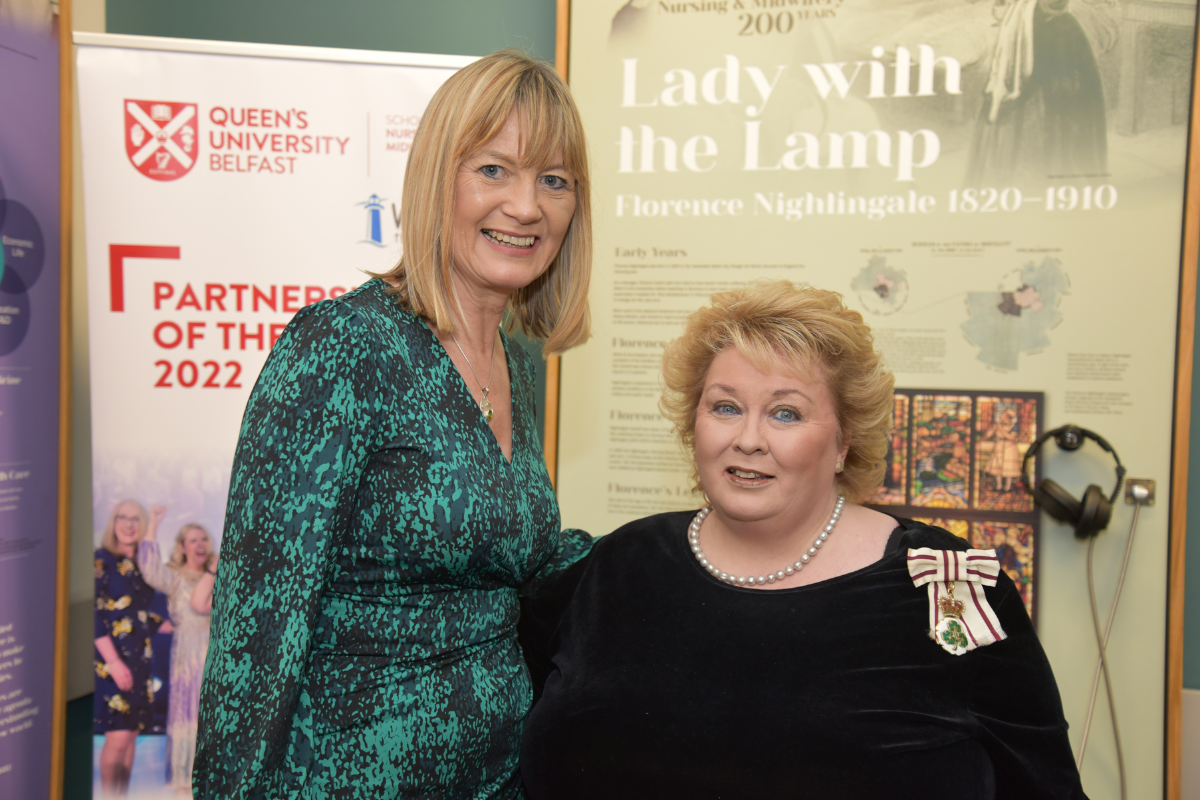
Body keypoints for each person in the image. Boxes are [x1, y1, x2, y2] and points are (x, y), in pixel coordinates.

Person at [194, 49, 593, 799]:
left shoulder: (519, 363)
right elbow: (260, 619)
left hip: (500, 774)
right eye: (493, 170)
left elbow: (520, 561)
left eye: (554, 180)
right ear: (436, 174)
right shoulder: (340, 347)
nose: (527, 206)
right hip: (343, 781)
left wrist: (695, 548)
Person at [519, 281, 1087, 799]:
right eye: (725, 407)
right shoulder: (620, 565)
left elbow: (1043, 785)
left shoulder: (945, 587)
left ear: (844, 442)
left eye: (786, 414)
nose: (747, 439)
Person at [93, 499, 170, 798]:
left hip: (141, 661)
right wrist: (113, 661)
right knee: (118, 736)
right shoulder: (100, 561)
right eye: (122, 518)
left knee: (132, 735)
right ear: (113, 522)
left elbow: (146, 614)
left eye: (135, 519)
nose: (128, 524)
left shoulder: (142, 566)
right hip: (112, 661)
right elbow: (96, 616)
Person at [136, 514, 217, 794]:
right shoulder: (175, 576)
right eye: (193, 540)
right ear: (182, 546)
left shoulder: (220, 572)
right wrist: (152, 526)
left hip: (218, 649)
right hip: (189, 654)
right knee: (190, 713)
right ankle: (186, 780)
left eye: (204, 538)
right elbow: (149, 569)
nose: (200, 544)